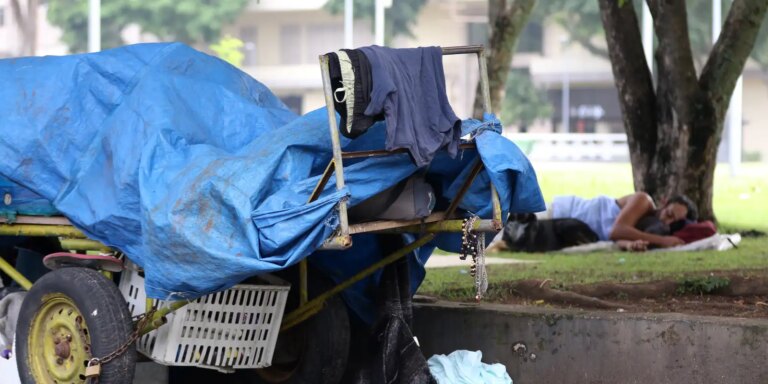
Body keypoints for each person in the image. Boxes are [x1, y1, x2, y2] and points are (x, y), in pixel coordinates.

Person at [543, 192, 698, 251]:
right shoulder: (644, 201)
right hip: (562, 211)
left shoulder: (649, 229)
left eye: (674, 222)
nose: (667, 222)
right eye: (669, 214)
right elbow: (617, 231)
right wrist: (663, 241)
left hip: (568, 230)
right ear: (664, 203)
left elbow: (619, 239)